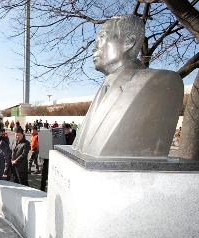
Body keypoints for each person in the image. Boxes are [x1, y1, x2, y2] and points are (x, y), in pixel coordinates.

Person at [73, 15, 183, 158]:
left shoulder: (161, 82)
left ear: (128, 42)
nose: (94, 48)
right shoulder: (104, 87)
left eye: (101, 38)